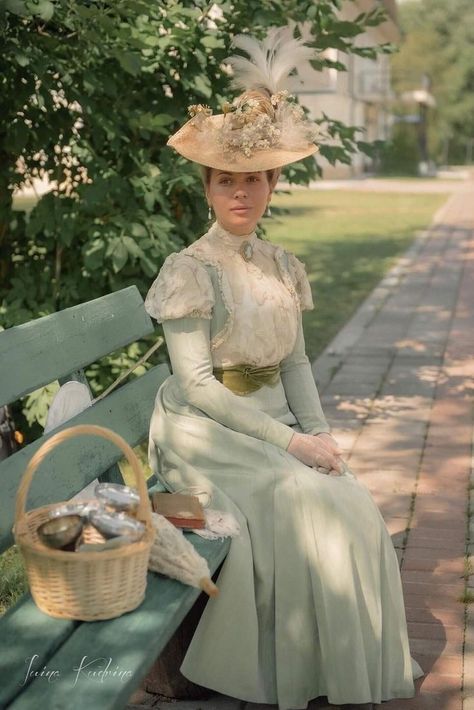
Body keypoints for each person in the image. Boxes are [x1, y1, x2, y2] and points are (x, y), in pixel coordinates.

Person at [145, 30, 422, 710]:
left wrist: (324, 440)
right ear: (208, 187)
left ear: (272, 183)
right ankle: (281, 675)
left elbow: (296, 363)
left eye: (255, 179)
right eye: (227, 181)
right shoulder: (190, 272)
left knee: (349, 499)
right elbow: (199, 387)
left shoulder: (279, 267)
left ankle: (336, 670)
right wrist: (292, 445)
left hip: (269, 423)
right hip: (202, 430)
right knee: (300, 499)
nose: (241, 193)